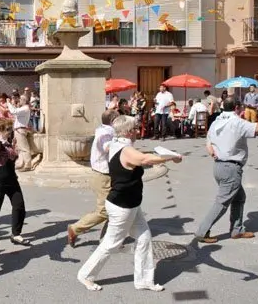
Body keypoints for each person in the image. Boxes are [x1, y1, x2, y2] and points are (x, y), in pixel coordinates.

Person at [76, 115, 182, 292]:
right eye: (134, 128)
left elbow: (135, 155)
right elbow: (144, 160)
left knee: (144, 238)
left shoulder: (116, 143)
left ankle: (144, 280)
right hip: (122, 206)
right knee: (111, 243)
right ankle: (85, 275)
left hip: (131, 204)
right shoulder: (125, 150)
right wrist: (170, 157)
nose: (137, 131)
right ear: (127, 132)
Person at [195, 98, 258, 243]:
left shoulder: (217, 121)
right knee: (222, 202)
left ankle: (237, 229)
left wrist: (214, 151)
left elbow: (208, 142)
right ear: (237, 108)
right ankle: (202, 231)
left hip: (219, 166)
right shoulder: (236, 122)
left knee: (239, 197)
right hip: (231, 168)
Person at [67, 110, 119, 247]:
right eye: (118, 118)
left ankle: (108, 238)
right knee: (104, 211)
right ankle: (75, 228)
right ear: (113, 120)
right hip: (103, 176)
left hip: (106, 174)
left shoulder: (104, 129)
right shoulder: (106, 133)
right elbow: (107, 147)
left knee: (116, 207)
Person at [0, 113, 30, 246]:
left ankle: (16, 234)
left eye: (10, 129)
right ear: (0, 130)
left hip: (11, 180)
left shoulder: (8, 143)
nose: (10, 132)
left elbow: (13, 159)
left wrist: (14, 149)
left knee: (19, 205)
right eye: (7, 130)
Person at [7, 95, 39, 171]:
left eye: (21, 99)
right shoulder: (23, 108)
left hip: (20, 130)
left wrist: (8, 103)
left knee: (24, 148)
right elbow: (15, 111)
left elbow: (13, 111)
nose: (19, 100)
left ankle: (28, 165)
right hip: (18, 129)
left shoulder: (25, 108)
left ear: (24, 100)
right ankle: (22, 163)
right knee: (20, 148)